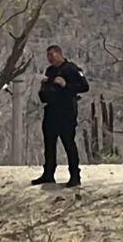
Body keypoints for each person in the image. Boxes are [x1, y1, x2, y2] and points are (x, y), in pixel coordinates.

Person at [32, 44, 88, 187]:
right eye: (48, 56)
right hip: (51, 112)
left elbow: (84, 86)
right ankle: (48, 174)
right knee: (49, 144)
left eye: (52, 54)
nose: (50, 58)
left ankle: (75, 176)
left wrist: (66, 85)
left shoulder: (71, 69)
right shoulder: (50, 71)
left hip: (66, 113)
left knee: (69, 144)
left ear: (59, 53)